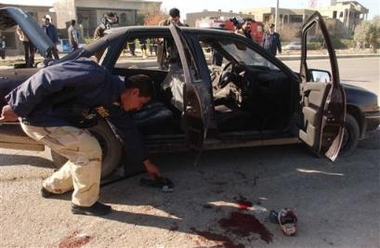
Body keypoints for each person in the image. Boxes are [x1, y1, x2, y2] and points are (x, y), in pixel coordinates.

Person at [0, 58, 163, 216]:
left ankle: (51, 187)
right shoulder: (95, 75)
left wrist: (146, 163)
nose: (138, 108)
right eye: (141, 103)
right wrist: (17, 105)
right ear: (134, 92)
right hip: (37, 118)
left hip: (54, 122)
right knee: (89, 149)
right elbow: (47, 76)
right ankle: (83, 203)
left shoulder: (114, 105)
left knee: (82, 152)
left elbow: (128, 133)